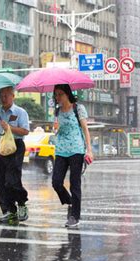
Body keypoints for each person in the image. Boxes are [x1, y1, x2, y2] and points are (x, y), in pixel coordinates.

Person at [52, 84, 93, 228]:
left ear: (67, 94)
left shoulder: (78, 108)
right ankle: (70, 202)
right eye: (56, 94)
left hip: (76, 150)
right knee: (56, 182)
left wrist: (89, 150)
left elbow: (85, 130)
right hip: (61, 150)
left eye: (60, 94)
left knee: (75, 184)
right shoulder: (57, 112)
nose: (58, 97)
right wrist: (55, 129)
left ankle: (75, 216)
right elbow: (56, 131)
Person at [0, 86, 30, 225]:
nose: (4, 98)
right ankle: (8, 211)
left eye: (6, 95)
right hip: (0, 148)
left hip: (15, 146)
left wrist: (9, 127)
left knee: (12, 179)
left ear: (13, 96)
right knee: (1, 182)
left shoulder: (20, 112)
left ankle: (21, 203)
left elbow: (25, 131)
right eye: (1, 96)